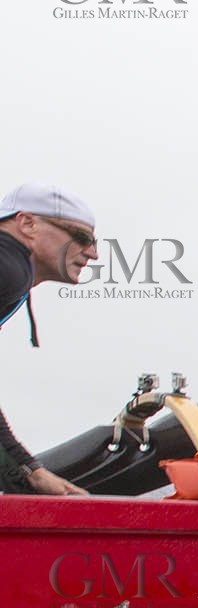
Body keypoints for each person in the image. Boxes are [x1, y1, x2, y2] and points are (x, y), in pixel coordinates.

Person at [0, 183, 99, 496]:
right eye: (81, 238)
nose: (93, 254)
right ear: (27, 223)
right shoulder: (10, 269)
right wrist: (28, 469)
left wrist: (26, 467)